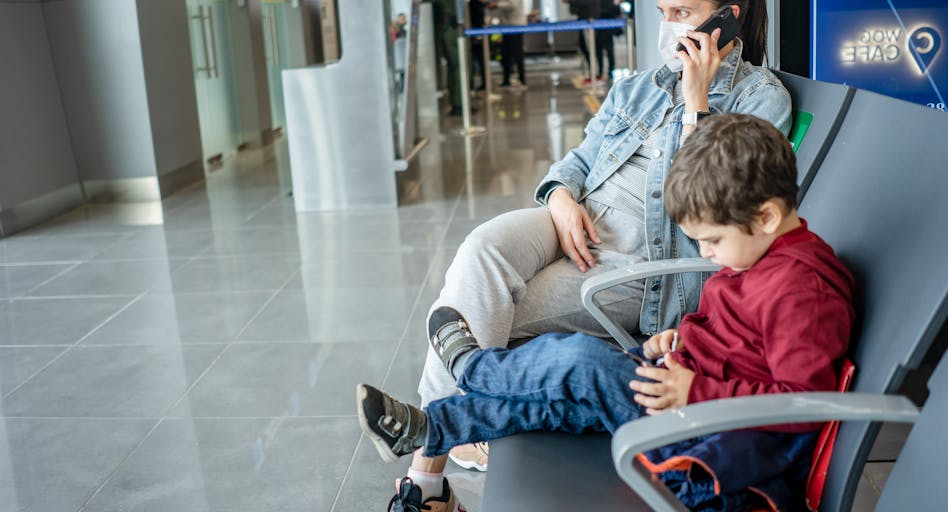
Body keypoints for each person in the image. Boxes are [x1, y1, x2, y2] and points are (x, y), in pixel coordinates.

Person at [395, 1, 793, 510]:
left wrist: (696, 105)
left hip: (636, 263)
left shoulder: (761, 98)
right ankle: (442, 457)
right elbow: (579, 160)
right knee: (481, 250)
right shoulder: (639, 87)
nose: (670, 23)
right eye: (663, 10)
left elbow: (712, 208)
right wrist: (561, 196)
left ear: (727, 17)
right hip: (579, 219)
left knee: (483, 314)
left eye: (684, 11)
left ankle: (425, 481)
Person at [359, 113, 855, 511]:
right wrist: (680, 340)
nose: (706, 254)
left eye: (712, 240)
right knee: (555, 401)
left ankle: (475, 368)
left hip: (707, 453)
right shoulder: (757, 254)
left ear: (767, 216)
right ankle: (432, 428)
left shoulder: (801, 290)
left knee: (581, 362)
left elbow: (803, 404)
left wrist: (696, 391)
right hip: (683, 403)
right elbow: (739, 341)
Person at [494, 0, 527, 88]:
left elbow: (512, 5)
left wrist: (496, 5)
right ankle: (506, 80)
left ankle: (522, 80)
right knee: (505, 54)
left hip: (516, 26)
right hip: (507, 26)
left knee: (517, 54)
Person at [593, 0, 621, 82]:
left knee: (605, 51)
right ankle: (607, 71)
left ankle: (605, 71)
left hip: (603, 27)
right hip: (605, 27)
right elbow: (616, 11)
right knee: (606, 51)